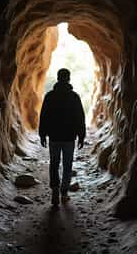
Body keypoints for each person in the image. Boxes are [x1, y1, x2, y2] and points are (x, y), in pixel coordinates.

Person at [39, 68, 86, 206]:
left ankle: (55, 191)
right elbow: (80, 118)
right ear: (69, 79)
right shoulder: (74, 97)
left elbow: (44, 117)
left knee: (54, 164)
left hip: (54, 137)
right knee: (67, 165)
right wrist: (81, 136)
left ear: (58, 78)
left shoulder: (50, 96)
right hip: (69, 138)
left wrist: (42, 134)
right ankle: (64, 193)